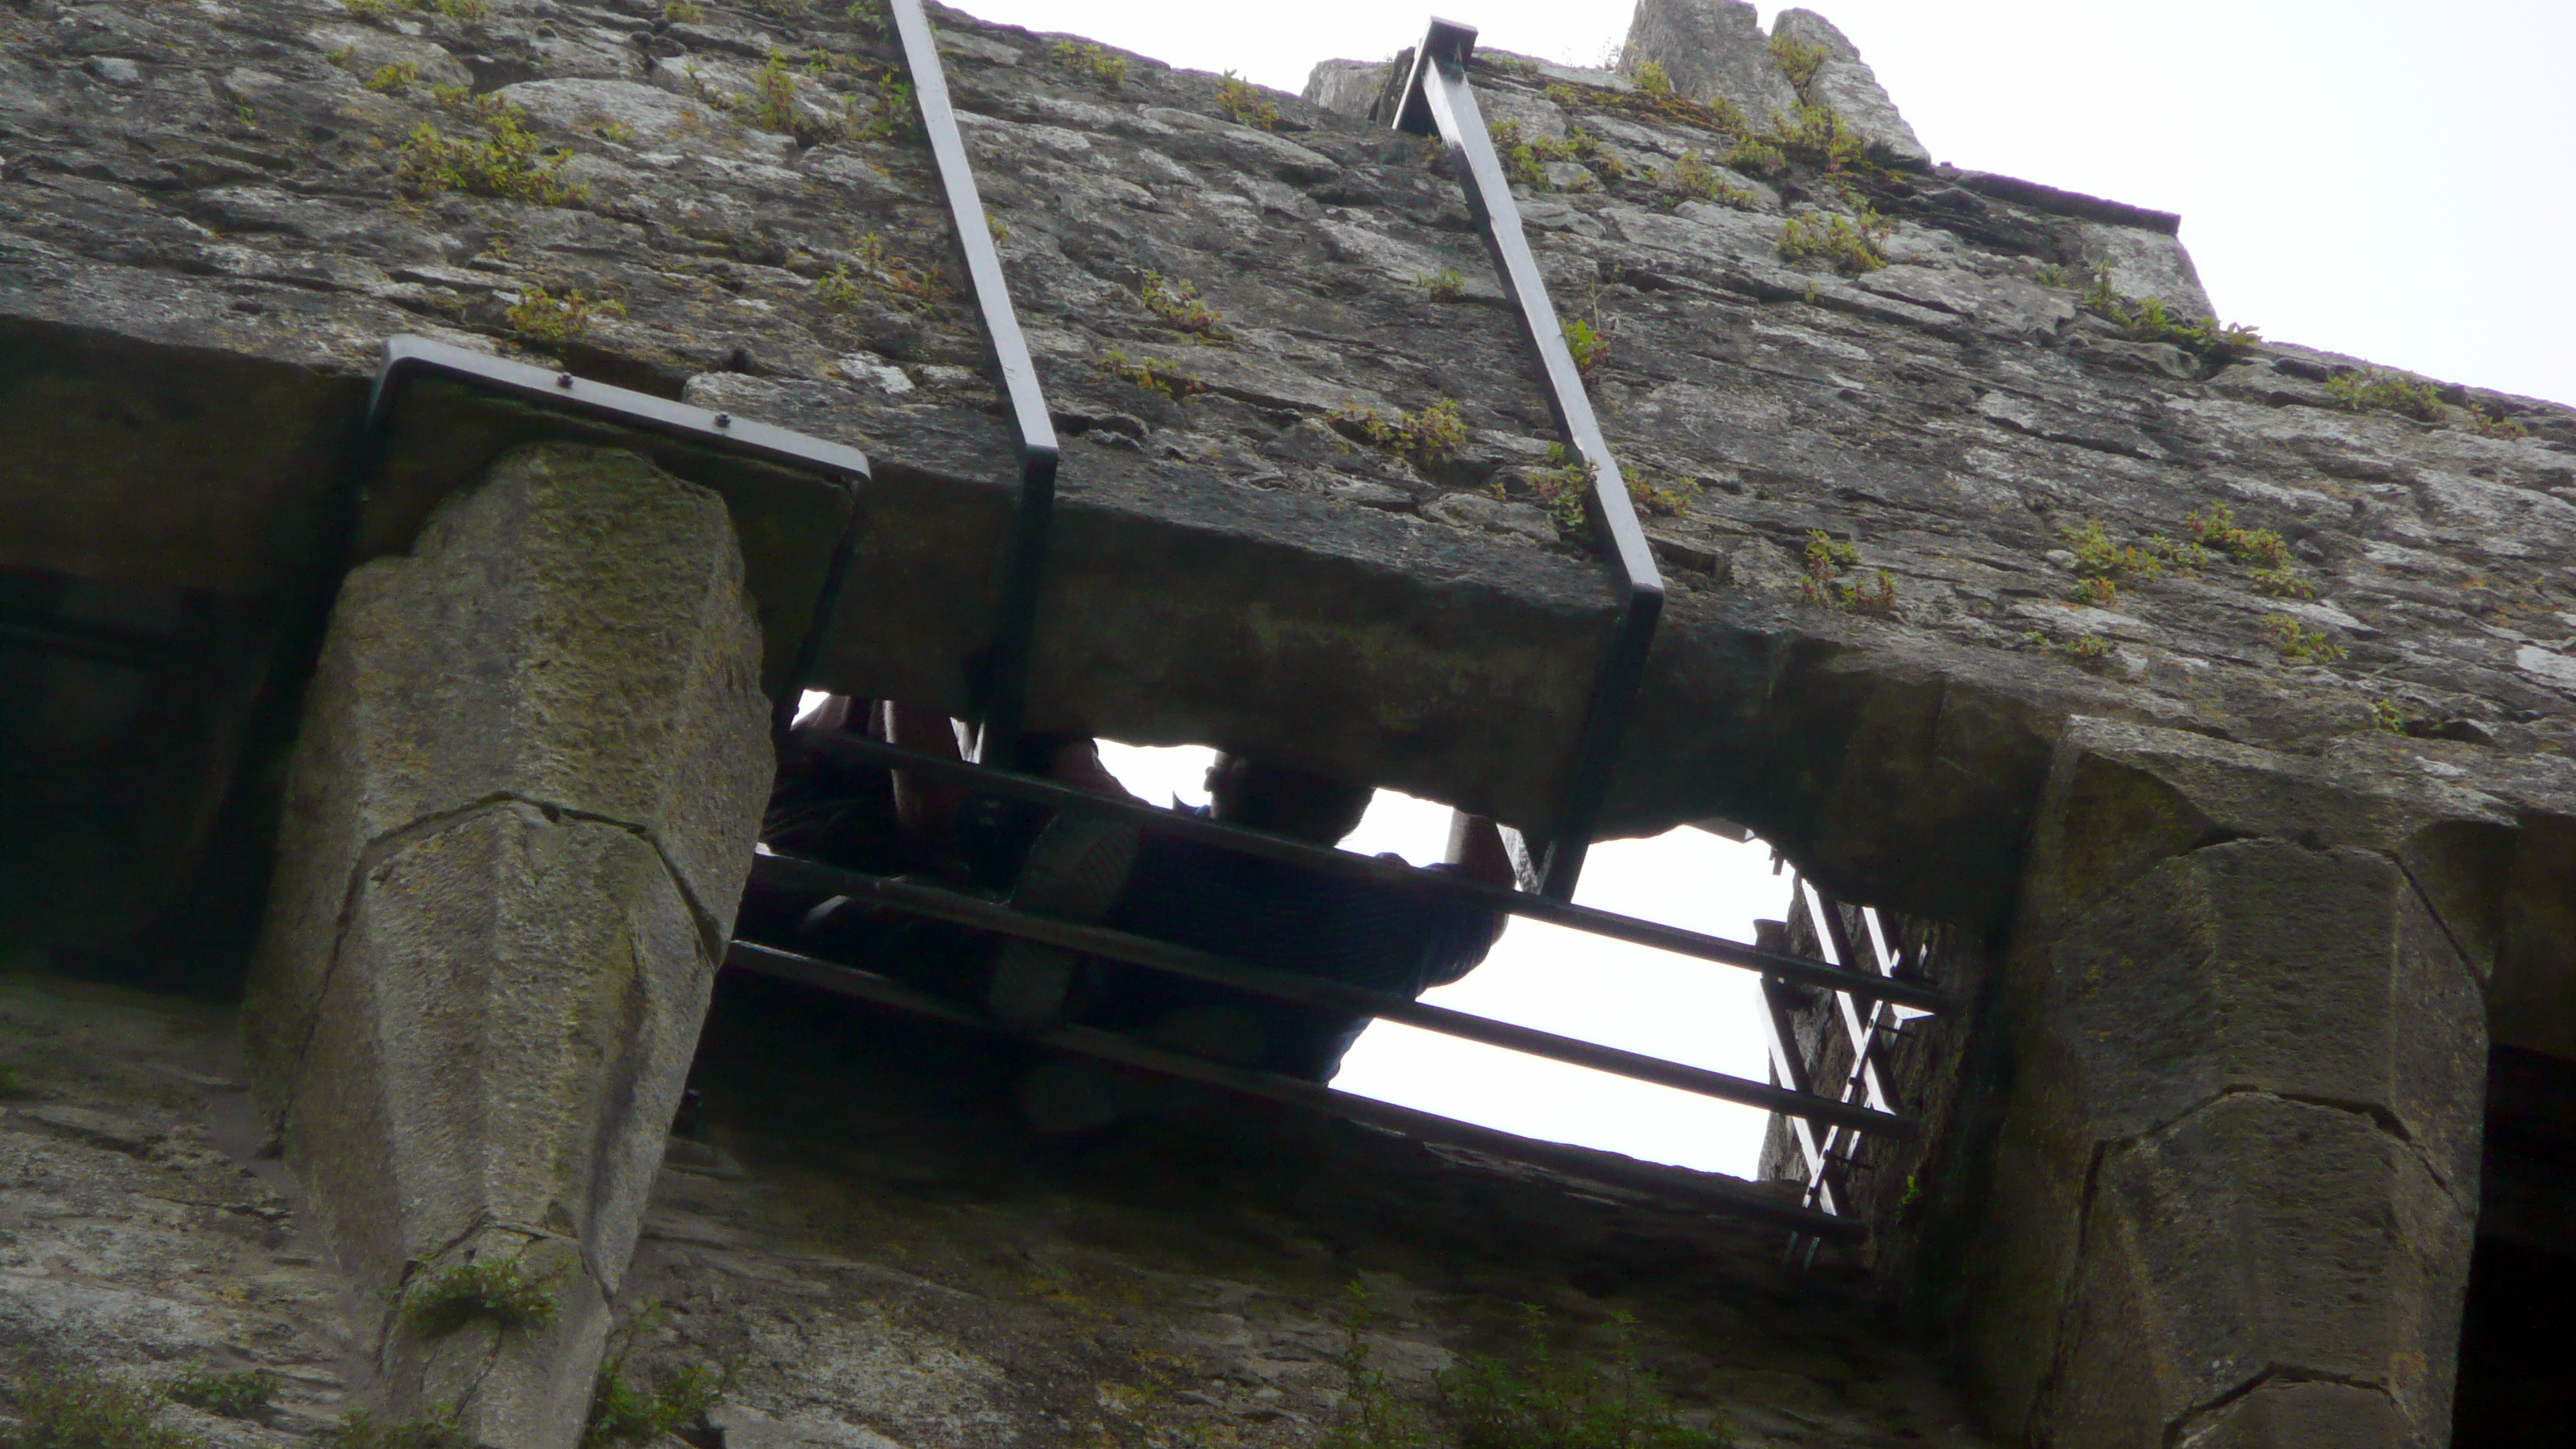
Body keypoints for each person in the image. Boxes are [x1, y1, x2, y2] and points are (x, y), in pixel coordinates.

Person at [846, 704, 1516, 1091]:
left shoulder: (1140, 851)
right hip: (1282, 1045)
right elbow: (1486, 895)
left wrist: (913, 669)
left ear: (1218, 770)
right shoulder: (1389, 914)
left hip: (1129, 936)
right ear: (1360, 807)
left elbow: (937, 811)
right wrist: (1472, 772)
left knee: (1062, 825)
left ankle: (1068, 998)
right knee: (1081, 814)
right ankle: (1156, 1080)